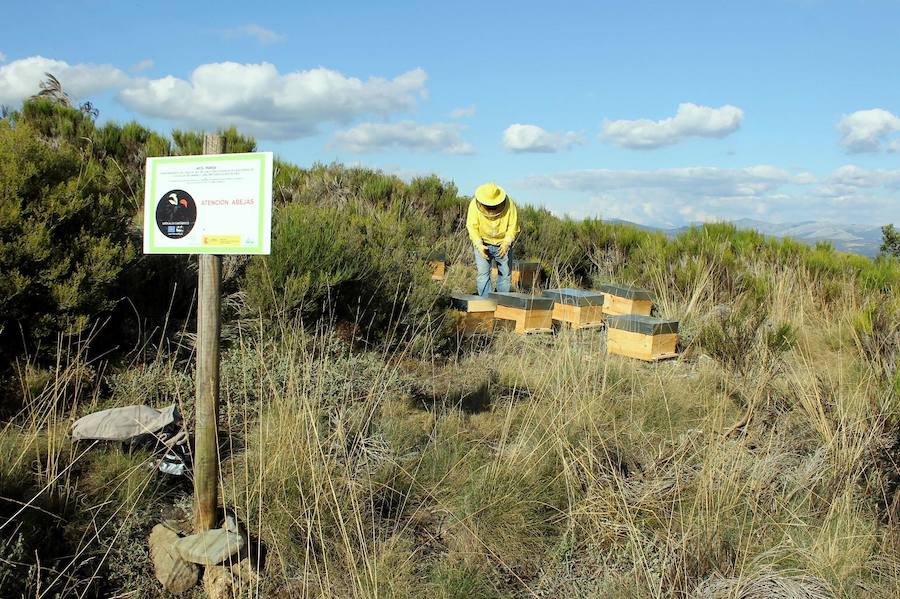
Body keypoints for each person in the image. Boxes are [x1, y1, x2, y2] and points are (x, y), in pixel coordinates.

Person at [466, 182, 520, 297]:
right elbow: (472, 226)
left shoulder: (510, 204)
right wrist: (479, 245)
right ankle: (486, 304)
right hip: (483, 243)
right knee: (483, 274)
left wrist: (506, 242)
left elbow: (513, 225)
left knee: (505, 275)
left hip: (502, 244)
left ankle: (501, 304)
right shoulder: (473, 205)